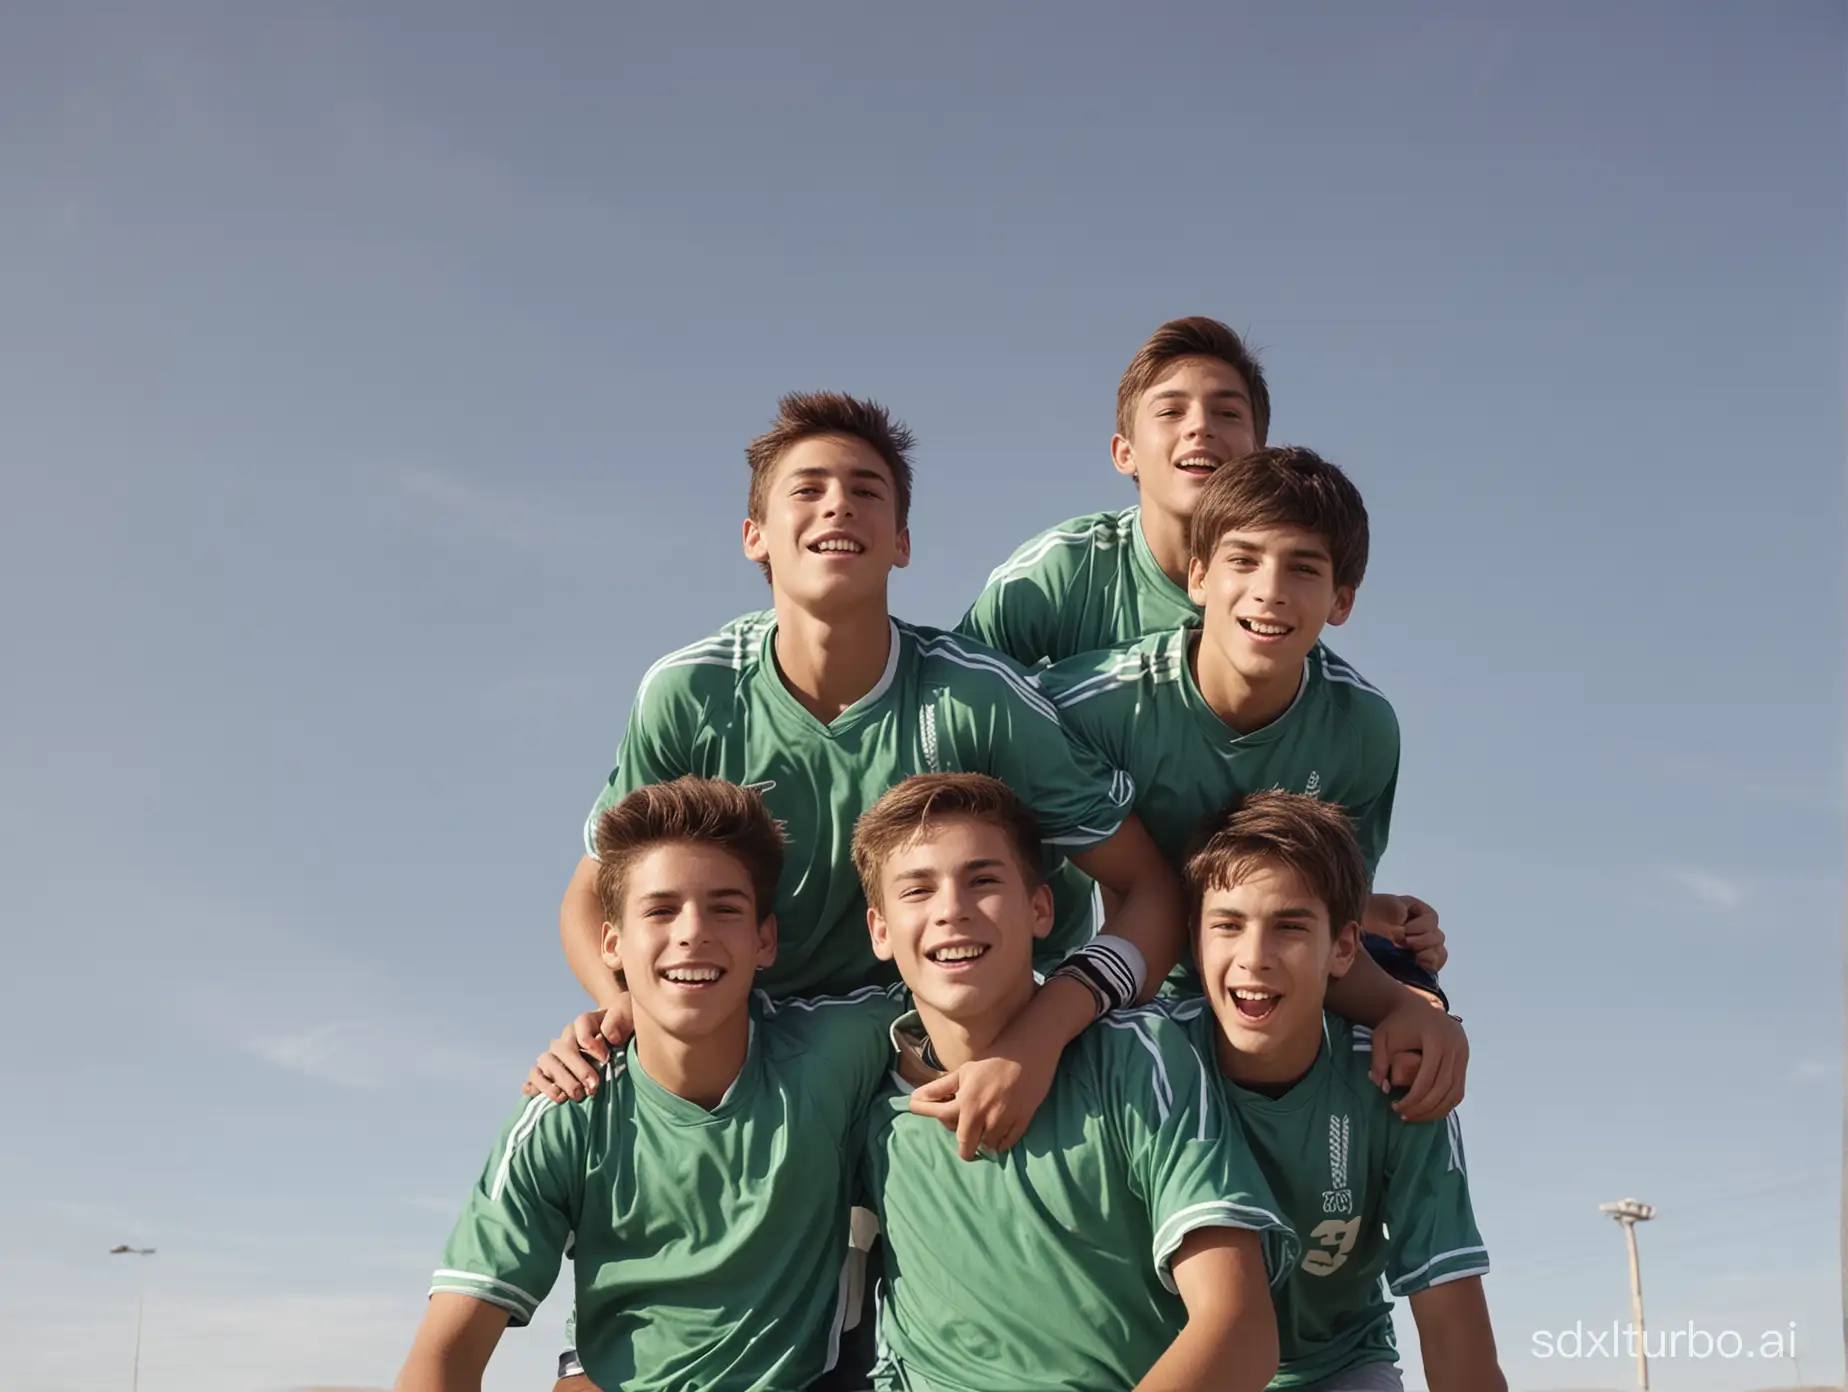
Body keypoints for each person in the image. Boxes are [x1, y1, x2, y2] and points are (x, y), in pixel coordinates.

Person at [557, 389, 1188, 1156]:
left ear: (902, 542)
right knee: (576, 1105)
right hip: (764, 1057)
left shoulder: (976, 697)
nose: (838, 508)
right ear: (755, 536)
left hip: (957, 1056)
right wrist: (618, 1005)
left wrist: (1039, 1039)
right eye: (809, 489)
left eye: (866, 493)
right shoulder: (689, 693)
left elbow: (1151, 887)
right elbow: (593, 895)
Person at [394, 779, 903, 1392]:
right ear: (612, 943)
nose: (693, 932)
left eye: (726, 908)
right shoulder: (567, 1108)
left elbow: (965, 985)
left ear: (764, 939)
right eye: (661, 910)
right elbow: (443, 1360)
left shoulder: (836, 1050)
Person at [852, 773, 1295, 1391]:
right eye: (917, 891)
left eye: (982, 881)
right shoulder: (867, 1098)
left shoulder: (1137, 1057)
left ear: (1041, 909)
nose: (951, 910)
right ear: (879, 930)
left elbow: (1241, 1329)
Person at [1040, 447, 1446, 1006]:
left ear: (1341, 601)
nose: (1270, 589)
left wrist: (1398, 972)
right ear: (1199, 576)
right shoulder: (1089, 707)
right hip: (1113, 975)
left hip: (1264, 979)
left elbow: (1332, 914)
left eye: (1303, 568)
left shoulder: (1361, 731)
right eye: (1244, 560)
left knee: (1423, 1026)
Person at [1169, 791, 1505, 1392]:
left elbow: (1457, 1340)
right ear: (1195, 939)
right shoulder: (1149, 1064)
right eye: (1228, 924)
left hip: (1337, 1367)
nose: (1255, 958)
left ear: (1343, 948)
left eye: (1290, 927)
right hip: (1174, 1366)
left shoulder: (1398, 1081)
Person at [958, 315, 1269, 667]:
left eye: (1228, 413)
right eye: (1170, 411)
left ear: (1258, 453)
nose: (1200, 426)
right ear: (1125, 453)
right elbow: (949, 698)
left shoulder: (1282, 588)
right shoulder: (1064, 570)